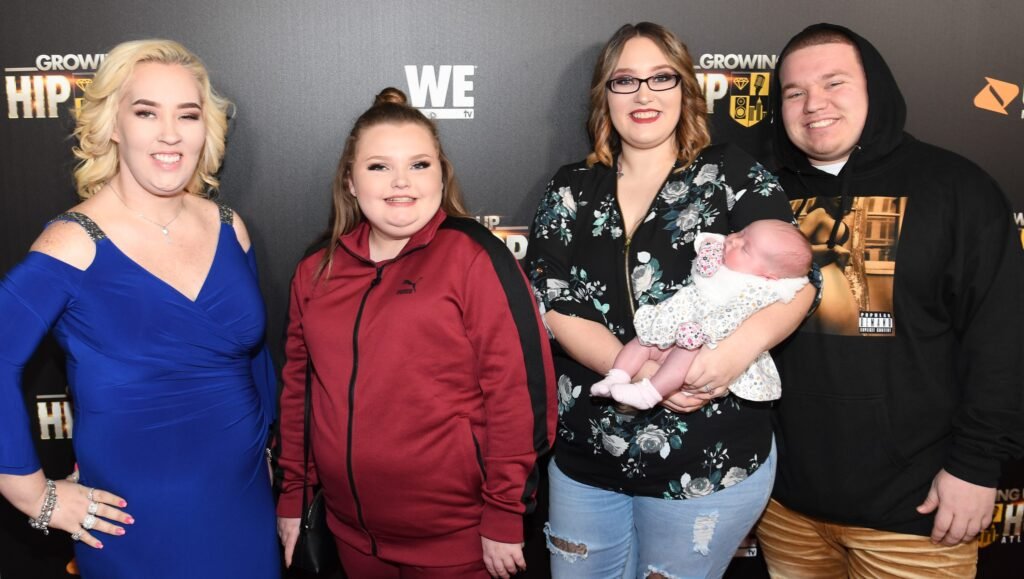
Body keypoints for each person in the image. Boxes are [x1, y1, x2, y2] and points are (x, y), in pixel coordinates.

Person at [526, 22, 814, 578]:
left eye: (661, 78)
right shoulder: (570, 187)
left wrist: (725, 361)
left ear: (686, 90)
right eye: (624, 80)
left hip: (709, 459)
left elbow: (799, 285)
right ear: (602, 97)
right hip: (588, 455)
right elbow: (549, 294)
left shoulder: (730, 173)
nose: (643, 94)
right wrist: (639, 372)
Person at [0, 40, 280, 577]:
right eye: (146, 112)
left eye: (188, 114)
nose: (170, 133)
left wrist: (269, 450)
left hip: (244, 503)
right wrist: (31, 493)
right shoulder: (72, 243)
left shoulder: (229, 227)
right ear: (112, 125)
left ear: (207, 130)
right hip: (136, 522)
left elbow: (254, 356)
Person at [757, 23, 1024, 577]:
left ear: (874, 87)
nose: (814, 105)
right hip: (784, 509)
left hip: (918, 512)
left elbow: (1002, 337)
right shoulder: (757, 195)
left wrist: (976, 467)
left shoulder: (956, 188)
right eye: (794, 92)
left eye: (834, 83)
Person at [275, 88, 556, 579]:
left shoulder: (476, 258)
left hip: (462, 542)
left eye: (420, 165)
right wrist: (293, 496)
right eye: (379, 166)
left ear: (441, 174)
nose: (401, 182)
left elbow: (519, 394)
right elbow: (299, 394)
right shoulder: (316, 270)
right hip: (351, 538)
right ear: (350, 180)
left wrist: (504, 512)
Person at [591, 220, 811, 409]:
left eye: (745, 248)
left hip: (702, 339)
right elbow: (706, 246)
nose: (734, 240)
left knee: (683, 357)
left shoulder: (758, 289)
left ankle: (649, 394)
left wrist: (703, 331)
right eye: (741, 232)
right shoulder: (725, 253)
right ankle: (616, 377)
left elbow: (733, 316)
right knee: (643, 341)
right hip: (675, 321)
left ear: (769, 275)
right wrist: (711, 251)